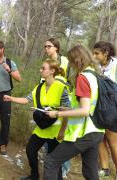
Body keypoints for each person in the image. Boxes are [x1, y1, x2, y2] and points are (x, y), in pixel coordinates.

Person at [44, 45, 105, 180]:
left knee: (51, 161)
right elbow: (89, 105)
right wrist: (67, 109)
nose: (70, 64)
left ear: (77, 60)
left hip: (83, 133)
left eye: (71, 61)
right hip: (97, 131)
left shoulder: (83, 78)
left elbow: (84, 110)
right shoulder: (95, 75)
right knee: (90, 172)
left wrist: (57, 114)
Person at [4, 59, 69, 180]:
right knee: (30, 150)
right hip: (42, 127)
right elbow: (26, 100)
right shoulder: (39, 87)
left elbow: (67, 111)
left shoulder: (61, 88)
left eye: (43, 68)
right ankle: (34, 175)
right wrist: (10, 98)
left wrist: (62, 131)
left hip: (56, 131)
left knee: (54, 161)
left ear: (52, 71)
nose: (40, 70)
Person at [44, 37, 71, 178]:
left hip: (62, 104)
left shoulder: (65, 61)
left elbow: (67, 81)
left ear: (56, 48)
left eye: (48, 46)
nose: (46, 49)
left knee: (62, 137)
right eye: (45, 47)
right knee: (49, 137)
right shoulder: (47, 63)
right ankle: (52, 167)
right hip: (48, 104)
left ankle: (64, 169)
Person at [93, 41, 117, 178]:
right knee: (99, 138)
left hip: (112, 107)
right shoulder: (96, 66)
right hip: (98, 106)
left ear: (106, 53)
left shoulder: (115, 65)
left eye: (97, 53)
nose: (94, 56)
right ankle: (105, 169)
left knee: (113, 142)